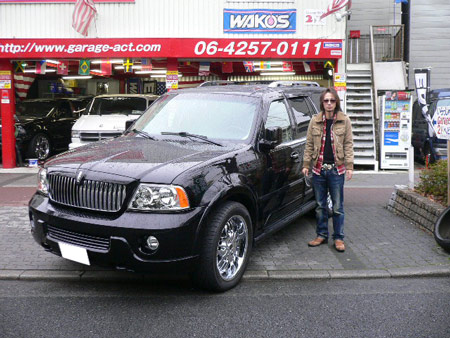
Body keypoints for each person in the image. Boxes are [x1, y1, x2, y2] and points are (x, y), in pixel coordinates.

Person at [302, 87, 354, 252]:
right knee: (320, 205)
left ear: (336, 102)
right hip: (318, 170)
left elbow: (348, 144)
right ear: (322, 103)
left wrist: (350, 166)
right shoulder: (315, 121)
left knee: (338, 207)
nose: (329, 103)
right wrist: (305, 164)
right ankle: (321, 235)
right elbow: (309, 144)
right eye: (326, 101)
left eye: (332, 100)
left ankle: (338, 238)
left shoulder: (344, 120)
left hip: (336, 170)